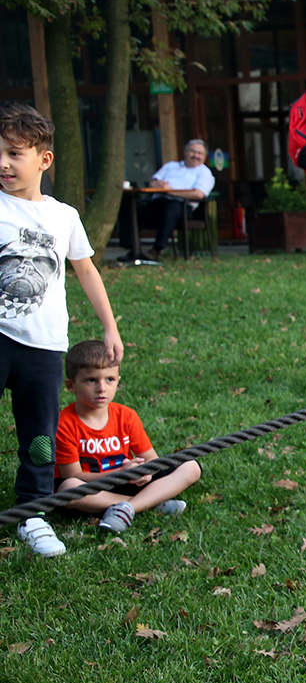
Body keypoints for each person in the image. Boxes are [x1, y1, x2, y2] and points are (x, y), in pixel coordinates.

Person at [0, 104, 123, 559]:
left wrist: (109, 327)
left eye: (14, 153)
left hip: (45, 347)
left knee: (39, 436)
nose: (3, 163)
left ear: (43, 160)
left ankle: (32, 512)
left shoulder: (63, 216)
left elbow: (86, 272)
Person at [54, 340, 202, 532]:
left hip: (127, 481)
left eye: (109, 379)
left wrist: (144, 472)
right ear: (70, 385)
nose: (101, 388)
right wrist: (119, 474)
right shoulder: (63, 423)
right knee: (69, 488)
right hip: (93, 488)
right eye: (91, 380)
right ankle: (148, 503)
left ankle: (128, 507)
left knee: (191, 466)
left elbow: (152, 459)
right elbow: (73, 475)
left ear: (118, 380)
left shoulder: (126, 415)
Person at [115, 138, 216, 262]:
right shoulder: (171, 166)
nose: (195, 156)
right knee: (130, 208)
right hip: (158, 202)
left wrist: (170, 190)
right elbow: (153, 183)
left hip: (182, 206)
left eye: (199, 153)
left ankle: (156, 250)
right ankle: (133, 249)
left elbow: (198, 194)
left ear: (205, 156)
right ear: (185, 152)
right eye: (192, 152)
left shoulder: (205, 173)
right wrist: (158, 185)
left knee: (170, 210)